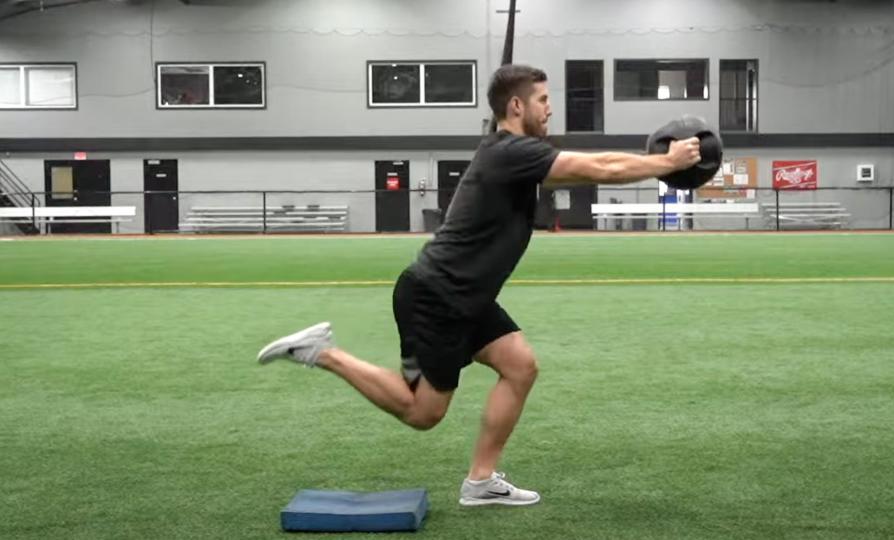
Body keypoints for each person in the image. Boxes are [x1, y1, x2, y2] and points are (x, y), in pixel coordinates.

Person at [257, 64, 701, 507]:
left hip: (467, 297)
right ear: (516, 106)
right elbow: (597, 166)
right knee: (423, 412)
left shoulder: (512, 150)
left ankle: (480, 481)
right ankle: (320, 351)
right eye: (543, 101)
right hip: (438, 297)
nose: (550, 110)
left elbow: (590, 163)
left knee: (520, 367)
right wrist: (666, 163)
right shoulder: (510, 152)